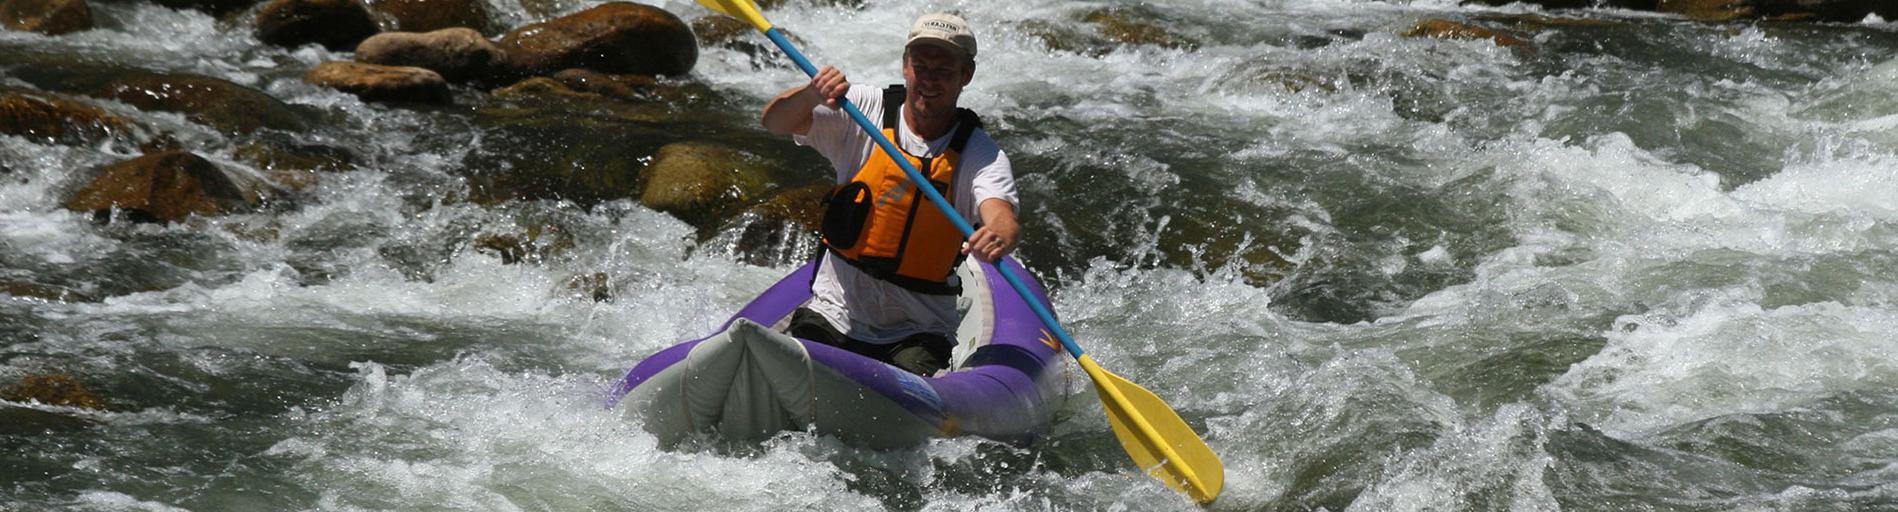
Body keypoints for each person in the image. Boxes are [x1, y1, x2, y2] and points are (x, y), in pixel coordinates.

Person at [759, 13, 1020, 377]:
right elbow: (775, 122)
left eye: (943, 71)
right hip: (834, 313)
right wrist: (810, 94)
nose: (928, 80)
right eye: (920, 66)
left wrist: (997, 233)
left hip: (916, 331)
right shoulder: (862, 109)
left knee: (912, 380)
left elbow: (1001, 214)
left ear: (966, 76)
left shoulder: (979, 153)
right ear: (904, 67)